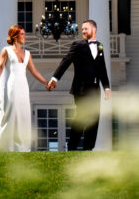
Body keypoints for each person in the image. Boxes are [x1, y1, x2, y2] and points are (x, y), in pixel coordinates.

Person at [46, 19, 111, 151]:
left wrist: (106, 87)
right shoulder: (78, 45)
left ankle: (88, 148)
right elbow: (66, 61)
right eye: (82, 29)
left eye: (85, 29)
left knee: (94, 118)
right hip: (80, 89)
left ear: (94, 29)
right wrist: (55, 78)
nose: (83, 31)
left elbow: (102, 69)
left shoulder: (100, 46)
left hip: (94, 89)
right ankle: (72, 147)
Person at [0, 25, 49, 152]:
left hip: (23, 87)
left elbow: (34, 71)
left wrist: (46, 82)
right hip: (12, 86)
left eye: (24, 34)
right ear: (15, 36)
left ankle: (22, 147)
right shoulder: (6, 51)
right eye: (22, 34)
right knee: (11, 114)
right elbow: (0, 68)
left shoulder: (27, 53)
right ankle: (4, 146)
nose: (24, 36)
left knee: (24, 115)